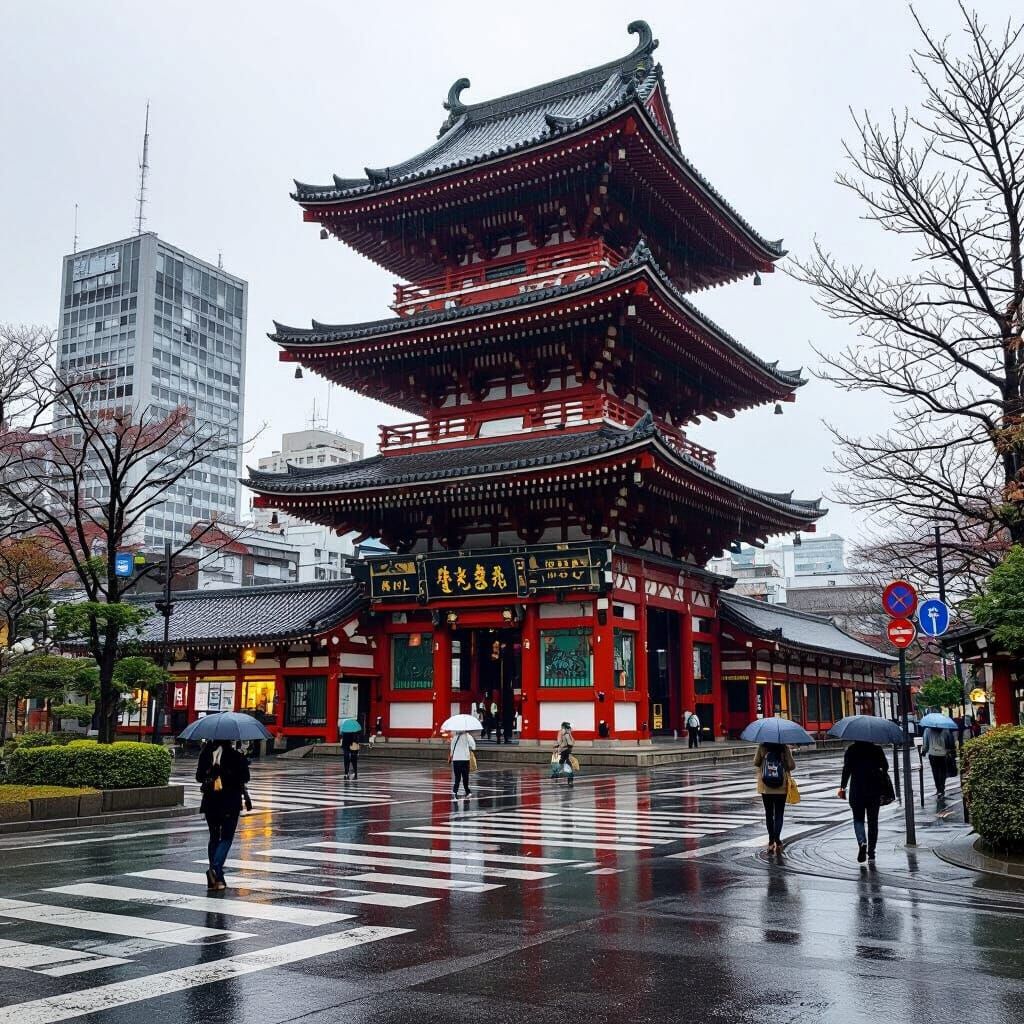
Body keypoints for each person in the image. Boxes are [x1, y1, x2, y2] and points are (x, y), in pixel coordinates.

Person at [196, 739, 250, 891]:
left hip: (210, 802)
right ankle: (216, 868)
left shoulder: (206, 754)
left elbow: (199, 777)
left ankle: (217, 879)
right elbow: (245, 777)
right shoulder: (235, 755)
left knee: (214, 837)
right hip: (230, 803)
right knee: (226, 837)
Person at [837, 741, 890, 863]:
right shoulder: (877, 749)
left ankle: (862, 842)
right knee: (873, 822)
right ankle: (871, 853)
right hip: (874, 790)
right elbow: (885, 767)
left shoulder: (851, 749)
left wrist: (842, 787)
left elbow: (846, 769)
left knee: (858, 819)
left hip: (857, 790)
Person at [754, 742, 795, 854]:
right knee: (779, 814)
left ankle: (771, 841)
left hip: (766, 787)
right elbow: (791, 766)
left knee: (769, 814)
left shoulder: (762, 746)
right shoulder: (784, 747)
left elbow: (756, 762)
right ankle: (777, 839)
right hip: (781, 787)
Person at [922, 725, 954, 798]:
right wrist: (949, 751)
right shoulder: (945, 729)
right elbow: (949, 742)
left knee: (935, 772)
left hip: (933, 754)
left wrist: (924, 751)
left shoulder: (927, 730)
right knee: (943, 772)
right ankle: (942, 788)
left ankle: (938, 789)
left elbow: (925, 743)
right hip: (943, 754)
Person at [449, 729, 476, 798]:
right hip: (465, 759)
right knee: (465, 777)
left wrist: (451, 756)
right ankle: (467, 791)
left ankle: (455, 791)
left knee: (457, 777)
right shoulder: (467, 736)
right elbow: (473, 746)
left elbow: (452, 749)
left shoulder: (455, 737)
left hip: (456, 759)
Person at [554, 721, 576, 787]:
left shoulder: (564, 733)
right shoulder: (563, 733)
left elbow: (571, 742)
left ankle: (556, 775)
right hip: (565, 751)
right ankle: (569, 781)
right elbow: (571, 743)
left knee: (563, 764)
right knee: (568, 765)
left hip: (564, 751)